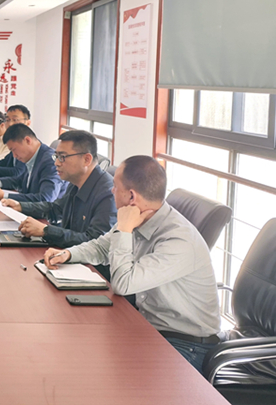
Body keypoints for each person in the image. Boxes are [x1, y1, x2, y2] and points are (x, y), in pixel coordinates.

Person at [43, 155, 221, 373]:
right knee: (79, 351)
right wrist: (68, 254)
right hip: (148, 325)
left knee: (107, 373)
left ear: (131, 196)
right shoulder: (139, 216)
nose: (111, 191)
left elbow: (123, 284)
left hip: (187, 344)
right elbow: (102, 247)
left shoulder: (178, 240)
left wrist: (125, 230)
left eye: (115, 187)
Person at [2, 130, 115, 248]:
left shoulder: (108, 194)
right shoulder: (76, 181)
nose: (56, 163)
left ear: (86, 159)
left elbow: (94, 243)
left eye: (62, 157)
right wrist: (20, 206)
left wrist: (46, 231)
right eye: (56, 156)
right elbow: (56, 209)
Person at [0, 123, 65, 204]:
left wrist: (4, 196)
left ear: (27, 140)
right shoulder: (34, 156)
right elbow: (21, 180)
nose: (14, 156)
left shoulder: (50, 161)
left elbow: (45, 199)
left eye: (14, 150)